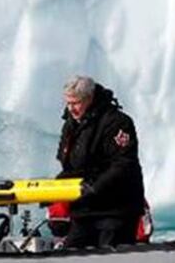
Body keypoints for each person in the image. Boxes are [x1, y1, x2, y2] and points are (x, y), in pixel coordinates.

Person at [55, 75, 146, 249]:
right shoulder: (71, 126)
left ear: (89, 98)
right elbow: (69, 166)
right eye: (68, 103)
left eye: (76, 103)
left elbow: (122, 164)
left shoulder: (117, 123)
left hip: (115, 209)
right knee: (72, 250)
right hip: (85, 209)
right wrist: (56, 192)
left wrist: (94, 187)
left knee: (110, 252)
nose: (71, 108)